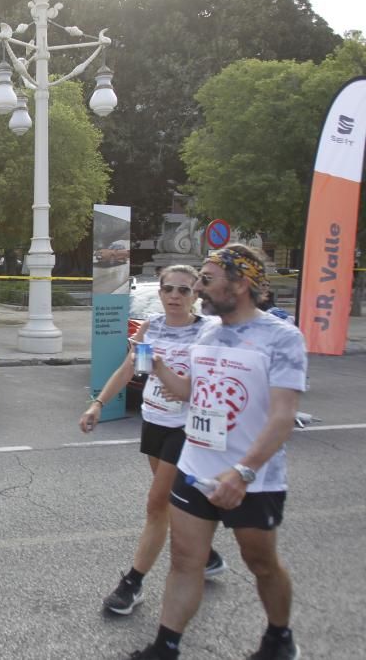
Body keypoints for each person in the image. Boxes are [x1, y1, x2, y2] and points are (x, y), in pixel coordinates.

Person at [129, 244, 307, 660]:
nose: (198, 289)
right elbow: (192, 393)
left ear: (241, 284)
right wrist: (155, 365)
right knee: (185, 559)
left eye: (206, 281)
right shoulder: (206, 331)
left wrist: (243, 471)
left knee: (261, 563)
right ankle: (165, 646)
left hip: (252, 479)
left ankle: (279, 637)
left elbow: (283, 417)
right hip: (196, 467)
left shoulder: (281, 338)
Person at [79, 265, 225, 617]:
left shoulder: (208, 332)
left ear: (196, 295)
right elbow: (129, 368)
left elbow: (205, 383)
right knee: (173, 501)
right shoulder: (151, 327)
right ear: (159, 292)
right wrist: (98, 404)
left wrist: (161, 367)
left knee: (156, 504)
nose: (175, 295)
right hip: (155, 421)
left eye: (183, 290)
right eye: (168, 289)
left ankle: (132, 584)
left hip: (187, 428)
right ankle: (207, 555)